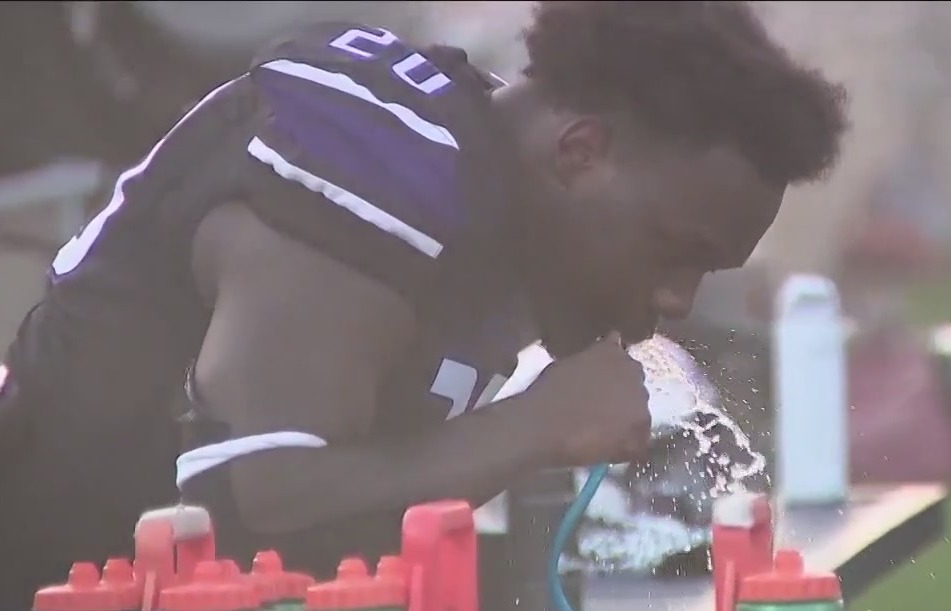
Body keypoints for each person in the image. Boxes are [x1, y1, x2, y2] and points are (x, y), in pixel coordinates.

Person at [0, 0, 847, 604]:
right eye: (676, 250)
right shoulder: (377, 161)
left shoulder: (499, 195)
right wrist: (537, 427)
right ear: (582, 151)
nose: (673, 298)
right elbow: (249, 503)